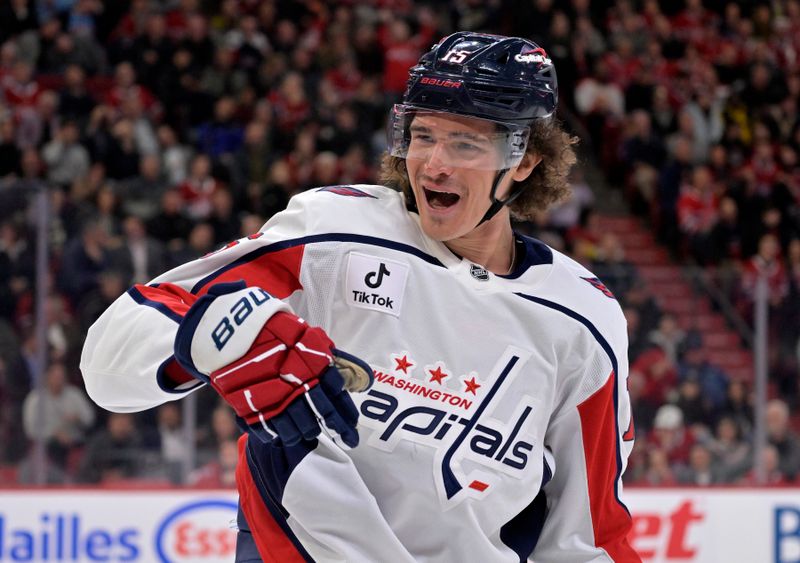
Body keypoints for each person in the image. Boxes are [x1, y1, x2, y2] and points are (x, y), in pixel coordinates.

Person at [81, 32, 638, 562]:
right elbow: (112, 361)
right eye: (423, 135)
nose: (435, 163)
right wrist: (208, 339)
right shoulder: (336, 232)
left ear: (524, 160)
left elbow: (588, 535)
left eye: (465, 143)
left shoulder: (582, 318)